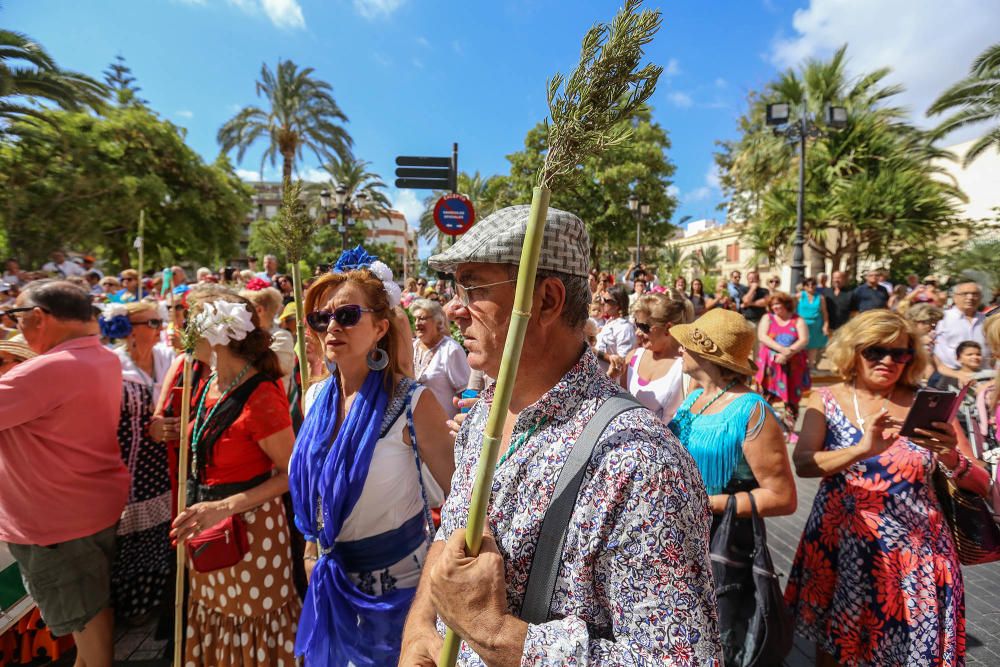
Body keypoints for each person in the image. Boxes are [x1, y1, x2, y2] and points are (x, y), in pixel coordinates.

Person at [399, 205, 721, 665]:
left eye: (472, 287)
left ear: (546, 301)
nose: (453, 308)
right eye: (455, 289)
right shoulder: (483, 416)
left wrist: (496, 634)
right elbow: (452, 534)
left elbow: (681, 659)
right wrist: (418, 629)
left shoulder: (640, 461)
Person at [785, 309, 991, 667]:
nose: (888, 361)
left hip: (916, 554)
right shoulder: (827, 398)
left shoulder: (929, 403)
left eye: (900, 353)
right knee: (837, 647)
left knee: (914, 650)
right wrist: (861, 450)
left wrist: (949, 455)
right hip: (841, 546)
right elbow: (803, 462)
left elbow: (982, 482)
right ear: (854, 350)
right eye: (875, 351)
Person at [288, 252, 454, 666]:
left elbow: (462, 501)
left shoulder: (414, 404)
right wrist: (311, 555)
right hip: (331, 588)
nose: (331, 327)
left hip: (401, 598)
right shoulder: (313, 399)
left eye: (346, 315)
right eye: (320, 319)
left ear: (381, 327)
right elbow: (319, 492)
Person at [1, 280, 129, 667]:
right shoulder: (102, 357)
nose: (13, 326)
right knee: (90, 615)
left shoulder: (45, 371)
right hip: (86, 511)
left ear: (37, 317)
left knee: (86, 622)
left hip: (55, 525)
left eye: (15, 317)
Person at [169, 293, 301, 666]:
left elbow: (292, 474)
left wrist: (224, 506)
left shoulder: (260, 394)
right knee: (217, 617)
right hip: (209, 528)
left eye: (191, 323)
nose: (182, 332)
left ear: (217, 333)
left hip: (250, 533)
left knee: (253, 622)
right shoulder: (208, 382)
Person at [667, 307, 796, 536]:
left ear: (705, 353)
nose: (680, 350)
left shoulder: (751, 409)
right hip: (681, 533)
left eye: (686, 345)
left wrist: (707, 504)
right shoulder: (695, 397)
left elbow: (782, 497)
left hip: (722, 537)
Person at [102, 301, 176, 625]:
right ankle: (131, 606)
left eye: (160, 322)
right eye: (153, 323)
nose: (161, 328)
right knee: (128, 536)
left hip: (163, 462)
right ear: (130, 329)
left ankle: (156, 598)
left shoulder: (166, 357)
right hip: (125, 465)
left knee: (160, 531)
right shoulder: (112, 365)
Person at [622, 291, 688, 422]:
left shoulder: (686, 367)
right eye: (636, 324)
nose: (637, 332)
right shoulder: (632, 358)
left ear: (668, 328)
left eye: (644, 327)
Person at [756, 291, 810, 429]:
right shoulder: (767, 318)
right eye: (772, 304)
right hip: (770, 366)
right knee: (765, 397)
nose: (775, 307)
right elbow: (762, 336)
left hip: (792, 365)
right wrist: (782, 349)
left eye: (777, 304)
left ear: (786, 304)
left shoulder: (798, 320)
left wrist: (788, 354)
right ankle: (765, 428)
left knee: (792, 399)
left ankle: (789, 430)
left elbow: (804, 340)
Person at [411, 297, 471, 419]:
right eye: (415, 319)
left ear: (437, 321)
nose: (417, 323)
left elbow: (465, 393)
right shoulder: (412, 346)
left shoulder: (450, 349)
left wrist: (462, 424)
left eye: (422, 318)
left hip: (445, 428)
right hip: (414, 427)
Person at [934, 281, 990, 373]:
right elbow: (932, 351)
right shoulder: (942, 318)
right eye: (965, 294)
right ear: (954, 297)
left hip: (983, 376)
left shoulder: (987, 320)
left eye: (974, 294)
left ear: (981, 297)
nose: (970, 297)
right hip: (950, 375)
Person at [594, 284, 635, 378]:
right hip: (598, 378)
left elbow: (622, 362)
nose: (602, 302)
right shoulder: (610, 321)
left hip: (611, 384)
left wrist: (595, 352)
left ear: (617, 305)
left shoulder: (625, 328)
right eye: (602, 298)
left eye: (606, 300)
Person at [905, 303, 945, 382]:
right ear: (916, 322)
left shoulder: (931, 338)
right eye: (930, 323)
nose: (933, 327)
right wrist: (920, 342)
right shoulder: (905, 337)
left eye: (935, 323)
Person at [798, 277, 829, 371]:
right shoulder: (799, 296)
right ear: (804, 286)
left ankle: (811, 366)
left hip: (816, 324)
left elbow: (824, 312)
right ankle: (801, 366)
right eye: (808, 285)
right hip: (802, 324)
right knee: (801, 345)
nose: (810, 286)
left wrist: (826, 325)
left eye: (813, 284)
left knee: (813, 346)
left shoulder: (820, 297)